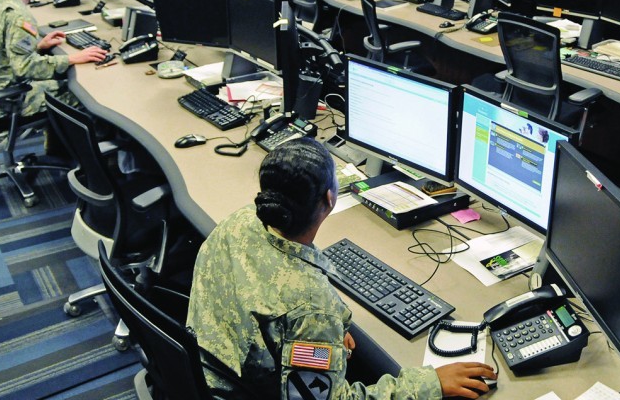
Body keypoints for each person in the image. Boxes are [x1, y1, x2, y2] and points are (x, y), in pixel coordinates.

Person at [187, 138, 496, 399]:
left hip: (209, 372)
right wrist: (429, 385)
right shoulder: (310, 309)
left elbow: (282, 277)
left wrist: (335, 320)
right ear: (329, 198)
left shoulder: (241, 222)